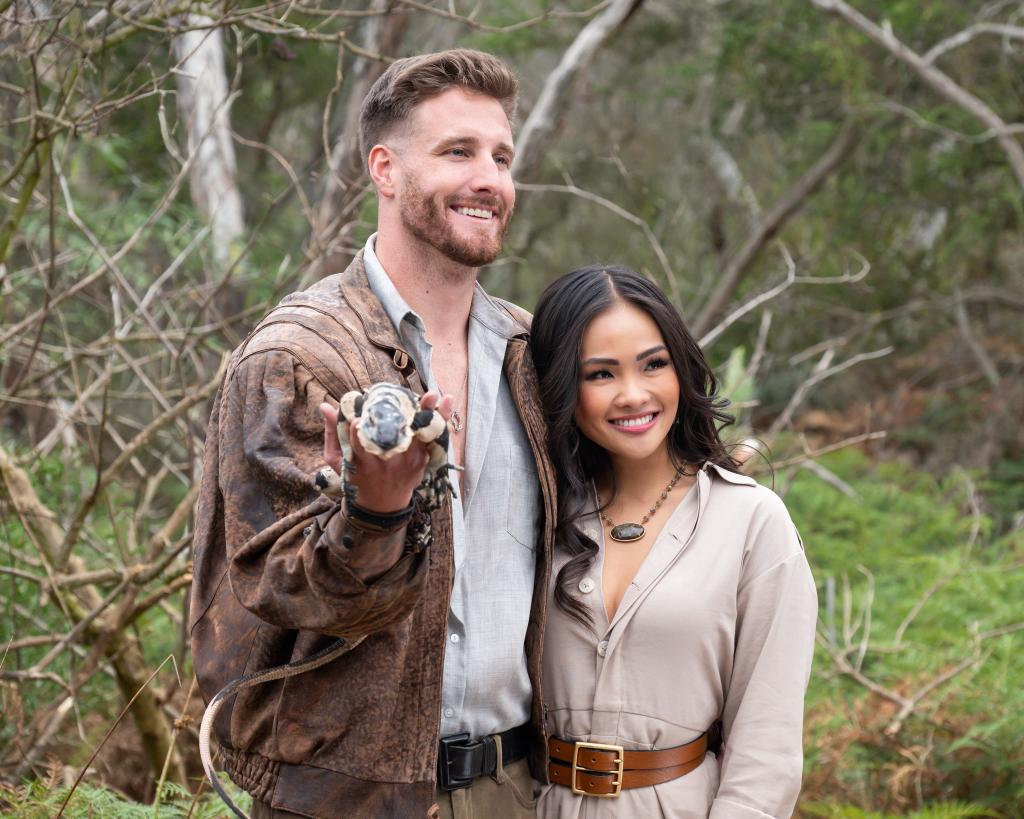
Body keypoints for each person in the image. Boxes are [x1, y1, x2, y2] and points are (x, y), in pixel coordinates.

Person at [190, 49, 555, 819]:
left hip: (513, 788)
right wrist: (377, 515)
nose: (488, 178)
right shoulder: (297, 357)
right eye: (457, 151)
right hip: (345, 797)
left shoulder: (531, 354)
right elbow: (279, 588)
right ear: (384, 170)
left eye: (500, 156)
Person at [529, 266, 817, 818]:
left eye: (653, 364)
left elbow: (767, 752)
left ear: (681, 369)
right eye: (600, 374)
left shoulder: (752, 521)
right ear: (564, 387)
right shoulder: (538, 513)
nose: (633, 395)